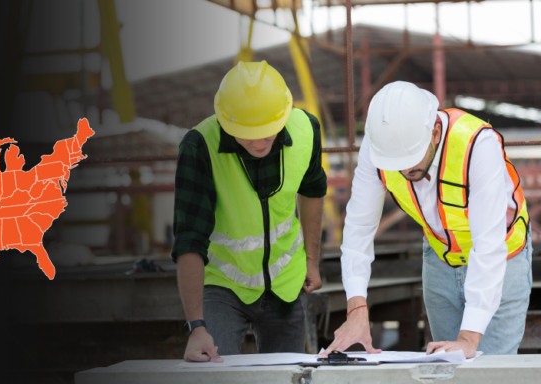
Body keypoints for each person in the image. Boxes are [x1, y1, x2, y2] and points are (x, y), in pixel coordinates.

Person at [321, 81, 532, 358]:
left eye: (411, 158)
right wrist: (357, 309)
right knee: (447, 368)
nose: (403, 169)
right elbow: (359, 227)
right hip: (440, 259)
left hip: (502, 259)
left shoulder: (477, 144)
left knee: (490, 371)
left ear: (434, 132)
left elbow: (488, 245)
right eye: (395, 163)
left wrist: (469, 338)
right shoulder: (379, 149)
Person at [173, 60, 327, 362]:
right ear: (226, 119)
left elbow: (313, 191)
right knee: (212, 375)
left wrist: (311, 260)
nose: (258, 141)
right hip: (224, 284)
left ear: (282, 115)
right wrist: (196, 326)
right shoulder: (199, 146)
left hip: (286, 281)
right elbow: (189, 238)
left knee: (287, 378)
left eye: (267, 131)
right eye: (247, 133)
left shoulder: (306, 129)